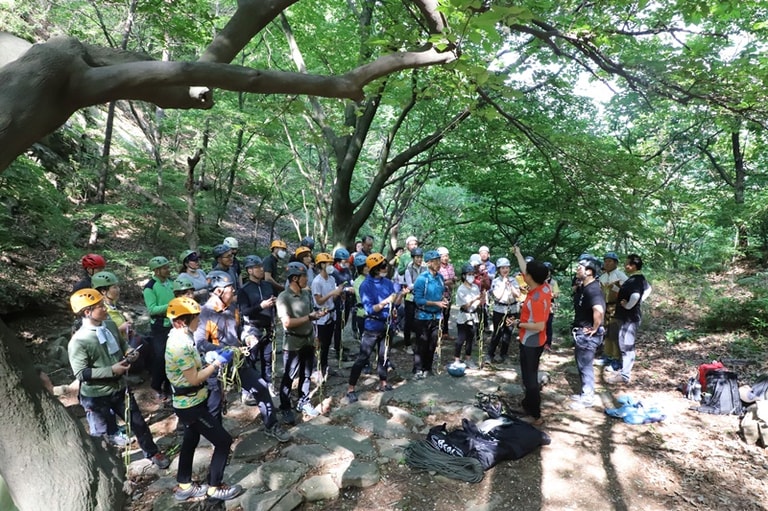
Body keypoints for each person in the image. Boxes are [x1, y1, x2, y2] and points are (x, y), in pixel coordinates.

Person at [68, 288, 170, 468]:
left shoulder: (110, 326)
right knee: (100, 432)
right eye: (100, 306)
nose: (105, 308)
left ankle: (152, 452)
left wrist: (130, 352)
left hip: (120, 387)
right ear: (87, 312)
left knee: (137, 422)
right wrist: (111, 370)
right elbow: (81, 373)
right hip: (96, 396)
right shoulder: (79, 341)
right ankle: (107, 465)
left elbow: (122, 345)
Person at [194, 270, 289, 442]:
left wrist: (248, 336)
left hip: (237, 361)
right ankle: (217, 441)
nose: (234, 291)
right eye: (231, 288)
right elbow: (200, 343)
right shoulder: (204, 314)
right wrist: (225, 350)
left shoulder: (232, 308)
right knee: (215, 405)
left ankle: (271, 424)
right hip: (216, 366)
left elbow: (241, 329)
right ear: (218, 291)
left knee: (261, 388)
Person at [164, 296, 242, 502]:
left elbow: (192, 367)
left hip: (192, 401)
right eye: (195, 318)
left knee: (191, 439)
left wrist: (207, 359)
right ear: (181, 322)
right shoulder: (180, 345)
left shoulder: (183, 338)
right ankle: (214, 487)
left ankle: (184, 485)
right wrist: (217, 363)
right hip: (190, 406)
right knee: (223, 441)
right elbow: (194, 378)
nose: (199, 321)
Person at [275, 262, 330, 424]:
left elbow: (310, 315)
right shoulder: (284, 297)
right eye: (304, 276)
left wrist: (315, 331)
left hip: (308, 339)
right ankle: (285, 407)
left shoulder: (306, 294)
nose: (307, 279)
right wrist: (309, 317)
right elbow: (287, 323)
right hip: (293, 342)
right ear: (294, 279)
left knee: (306, 374)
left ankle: (303, 401)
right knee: (289, 376)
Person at [346, 253, 403, 402]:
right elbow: (370, 309)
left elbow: (394, 302)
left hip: (387, 324)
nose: (386, 268)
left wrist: (399, 298)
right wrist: (386, 302)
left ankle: (383, 382)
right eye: (383, 266)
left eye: (385, 265)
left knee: (384, 355)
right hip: (372, 326)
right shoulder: (366, 285)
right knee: (363, 357)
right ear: (375, 269)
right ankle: (351, 388)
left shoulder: (388, 282)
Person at [513, 246, 552, 425]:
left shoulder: (537, 298)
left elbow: (539, 325)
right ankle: (527, 406)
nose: (524, 274)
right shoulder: (544, 287)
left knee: (530, 379)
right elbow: (526, 269)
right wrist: (518, 253)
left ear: (530, 277)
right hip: (535, 340)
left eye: (526, 273)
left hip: (531, 341)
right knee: (529, 375)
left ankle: (535, 415)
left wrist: (518, 324)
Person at [605, 254, 651, 385]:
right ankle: (623, 371)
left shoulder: (635, 280)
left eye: (627, 264)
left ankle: (625, 375)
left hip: (630, 318)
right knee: (623, 343)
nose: (625, 266)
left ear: (634, 266)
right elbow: (648, 289)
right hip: (627, 317)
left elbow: (635, 295)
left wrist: (629, 305)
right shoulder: (637, 278)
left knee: (626, 345)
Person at [570, 255, 606, 410]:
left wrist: (595, 328)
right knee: (582, 365)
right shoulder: (584, 287)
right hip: (581, 333)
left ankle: (587, 398)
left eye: (580, 267)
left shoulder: (594, 289)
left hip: (588, 335)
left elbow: (599, 310)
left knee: (586, 367)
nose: (577, 270)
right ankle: (585, 393)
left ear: (589, 271)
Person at [238, 255, 278, 391]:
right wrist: (261, 306)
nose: (261, 269)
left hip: (268, 327)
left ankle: (268, 384)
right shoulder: (244, 289)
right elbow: (244, 311)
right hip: (252, 329)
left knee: (267, 359)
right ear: (249, 270)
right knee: (251, 360)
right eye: (257, 267)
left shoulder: (267, 285)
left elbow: (272, 304)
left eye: (262, 267)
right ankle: (250, 388)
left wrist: (274, 311)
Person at [412, 250, 448, 379]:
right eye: (435, 261)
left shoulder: (440, 278)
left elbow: (441, 293)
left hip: (437, 317)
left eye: (439, 260)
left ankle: (428, 368)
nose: (438, 263)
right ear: (428, 263)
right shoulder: (422, 279)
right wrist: (436, 303)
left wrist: (443, 299)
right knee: (422, 343)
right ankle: (418, 369)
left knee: (433, 343)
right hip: (423, 316)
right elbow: (418, 300)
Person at [143, 256, 174, 402]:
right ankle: (156, 385)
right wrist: (172, 305)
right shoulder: (150, 287)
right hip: (160, 325)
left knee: (173, 355)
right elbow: (152, 309)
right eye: (164, 268)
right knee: (160, 356)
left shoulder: (171, 282)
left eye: (167, 267)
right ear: (156, 271)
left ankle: (169, 386)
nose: (168, 270)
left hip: (174, 322)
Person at [311, 252, 344, 379]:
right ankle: (317, 369)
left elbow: (332, 298)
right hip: (320, 317)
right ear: (321, 265)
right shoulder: (317, 282)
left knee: (327, 343)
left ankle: (325, 367)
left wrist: (339, 293)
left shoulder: (331, 279)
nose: (331, 266)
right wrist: (332, 293)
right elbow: (319, 301)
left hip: (331, 314)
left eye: (331, 263)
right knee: (320, 344)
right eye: (328, 263)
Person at [486, 257, 521, 365]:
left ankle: (503, 354)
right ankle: (490, 354)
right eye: (502, 268)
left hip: (512, 309)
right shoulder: (496, 281)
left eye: (507, 268)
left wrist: (510, 285)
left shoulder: (514, 280)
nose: (505, 270)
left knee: (508, 333)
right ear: (499, 270)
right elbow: (497, 296)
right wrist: (504, 283)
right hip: (499, 310)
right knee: (497, 332)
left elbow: (517, 295)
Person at [598, 252, 628, 369]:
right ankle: (608, 355)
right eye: (605, 261)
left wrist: (616, 289)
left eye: (610, 261)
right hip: (605, 307)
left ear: (615, 263)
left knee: (615, 332)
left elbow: (627, 291)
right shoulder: (602, 277)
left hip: (617, 307)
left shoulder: (621, 276)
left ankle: (617, 359)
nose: (607, 263)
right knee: (607, 332)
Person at [454, 263, 481, 368]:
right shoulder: (461, 289)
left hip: (474, 316)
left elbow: (478, 301)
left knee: (470, 339)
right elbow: (465, 305)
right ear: (464, 275)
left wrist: (480, 300)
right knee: (461, 339)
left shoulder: (475, 287)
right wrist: (475, 299)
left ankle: (468, 359)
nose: (471, 276)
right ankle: (456, 360)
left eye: (473, 274)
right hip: (463, 317)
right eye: (469, 274)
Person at [331, 247, 356, 358]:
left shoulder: (346, 270)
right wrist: (346, 289)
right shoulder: (333, 272)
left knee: (343, 323)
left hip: (347, 300)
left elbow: (350, 281)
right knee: (337, 324)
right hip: (337, 301)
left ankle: (339, 344)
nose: (346, 263)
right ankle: (337, 348)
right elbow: (333, 287)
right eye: (344, 261)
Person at [402, 247, 426, 354]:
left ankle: (419, 343)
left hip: (421, 297)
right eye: (417, 257)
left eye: (420, 257)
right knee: (409, 320)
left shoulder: (425, 268)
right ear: (413, 258)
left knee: (420, 320)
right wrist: (421, 283)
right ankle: (407, 344)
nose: (419, 259)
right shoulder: (408, 269)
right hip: (410, 297)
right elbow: (409, 285)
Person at [437, 247, 456, 340]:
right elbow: (437, 281)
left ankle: (445, 333)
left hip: (449, 294)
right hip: (440, 294)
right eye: (443, 256)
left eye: (447, 256)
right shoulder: (437, 267)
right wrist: (446, 282)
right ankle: (438, 334)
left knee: (447, 314)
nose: (445, 258)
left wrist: (452, 281)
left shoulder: (450, 266)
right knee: (439, 314)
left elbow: (453, 279)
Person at [543, 262, 560, 350]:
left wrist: (547, 295)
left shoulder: (553, 282)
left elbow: (556, 294)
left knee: (548, 324)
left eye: (548, 270)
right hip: (539, 305)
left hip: (550, 306)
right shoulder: (538, 281)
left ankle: (548, 343)